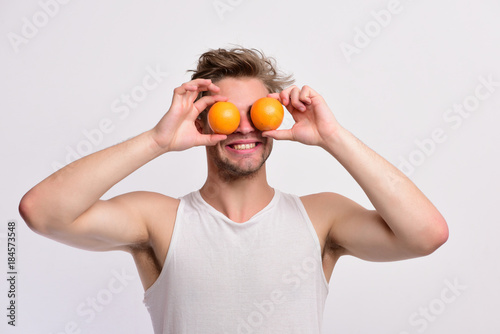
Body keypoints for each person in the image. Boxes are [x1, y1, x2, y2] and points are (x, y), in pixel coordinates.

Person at [19, 47, 448, 334]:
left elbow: (426, 235)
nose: (245, 127)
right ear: (203, 122)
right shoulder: (160, 220)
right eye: (228, 114)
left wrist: (332, 136)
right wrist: (157, 140)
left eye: (258, 113)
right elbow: (42, 212)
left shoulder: (321, 218)